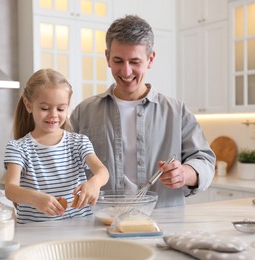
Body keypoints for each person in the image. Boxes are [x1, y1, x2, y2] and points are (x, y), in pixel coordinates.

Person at [70, 15, 216, 208]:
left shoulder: (176, 111)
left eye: (135, 62)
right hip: (100, 225)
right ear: (107, 58)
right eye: (118, 61)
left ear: (150, 59)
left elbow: (204, 160)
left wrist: (186, 173)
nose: (126, 71)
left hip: (163, 225)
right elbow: (62, 163)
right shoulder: (84, 112)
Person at [4, 69, 109, 224]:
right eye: (45, 108)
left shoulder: (78, 143)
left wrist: (94, 183)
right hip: (35, 234)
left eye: (60, 109)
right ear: (28, 105)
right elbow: (10, 189)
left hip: (80, 230)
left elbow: (102, 171)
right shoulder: (18, 148)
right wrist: (34, 198)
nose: (53, 114)